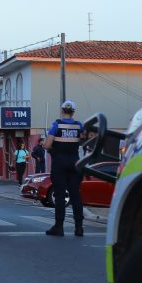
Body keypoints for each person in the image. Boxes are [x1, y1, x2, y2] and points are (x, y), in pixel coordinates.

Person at [45, 99, 85, 237]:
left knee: (60, 196)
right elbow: (85, 138)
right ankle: (79, 228)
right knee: (75, 195)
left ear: (62, 111)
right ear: (73, 112)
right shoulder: (79, 125)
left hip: (59, 163)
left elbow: (47, 144)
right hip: (74, 162)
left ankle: (59, 227)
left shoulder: (56, 124)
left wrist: (53, 151)